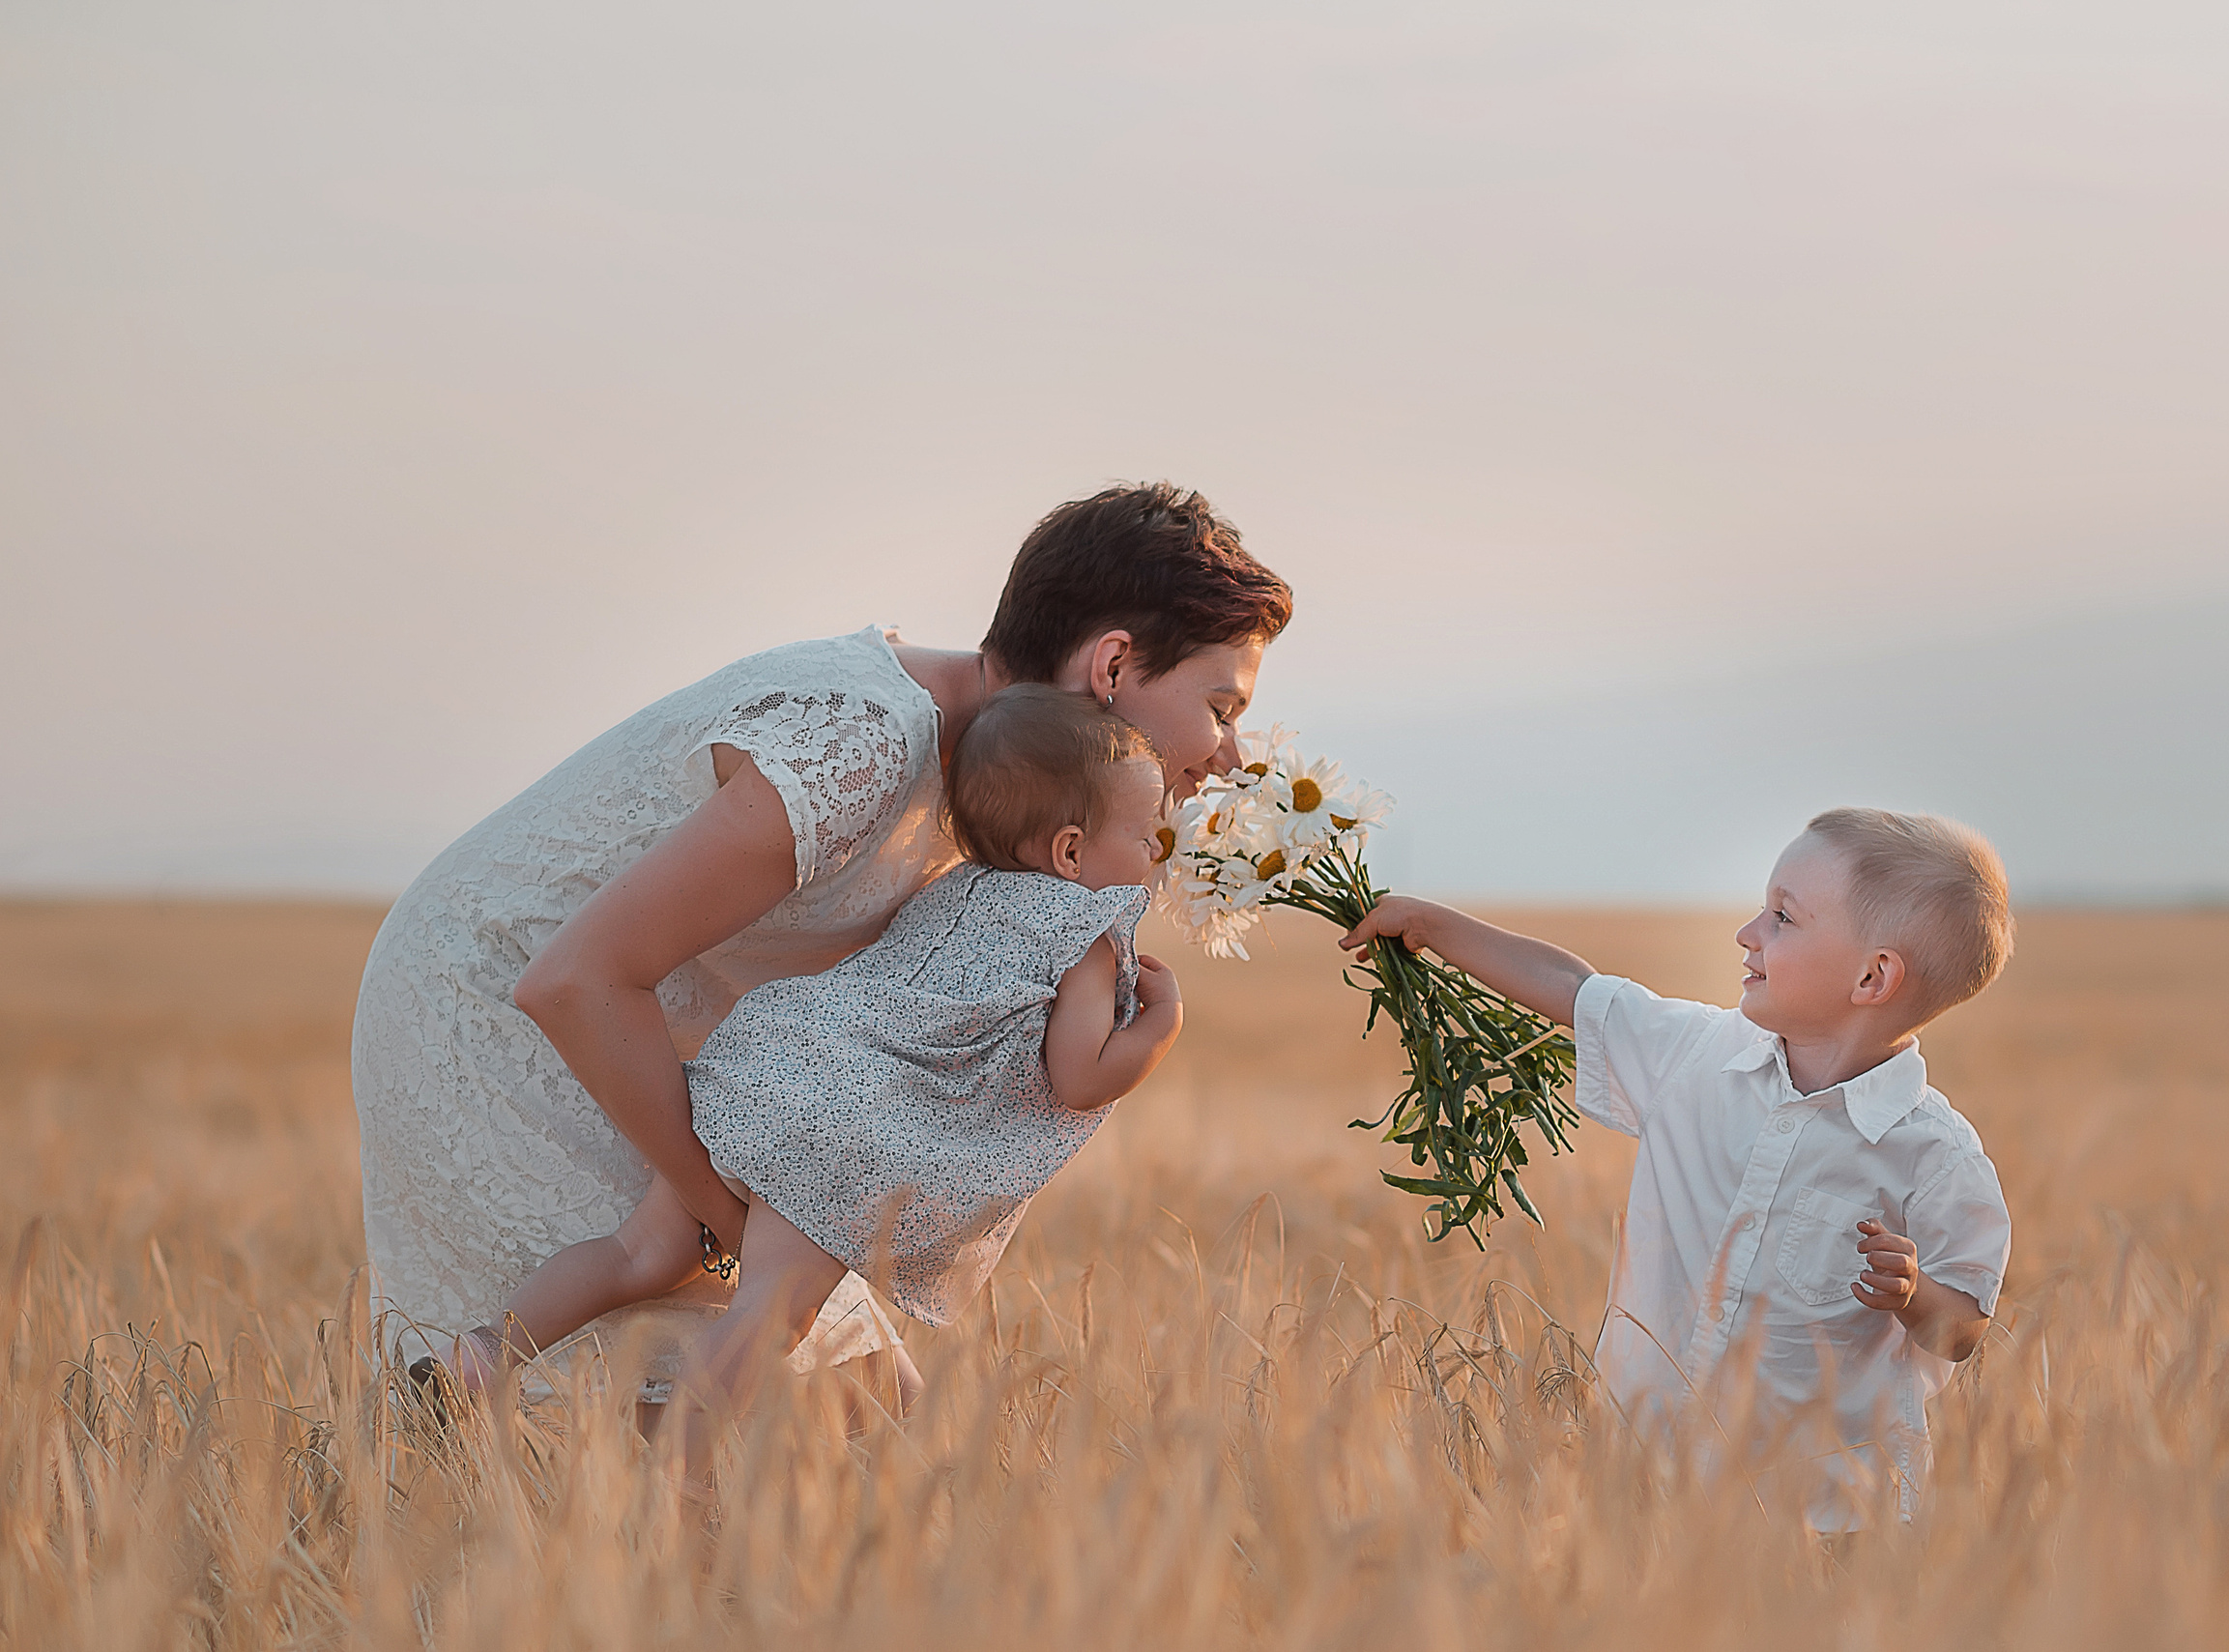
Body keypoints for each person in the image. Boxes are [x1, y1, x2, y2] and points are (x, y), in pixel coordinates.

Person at [352, 483, 1288, 1401]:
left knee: (854, 1434)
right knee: (725, 1427)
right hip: (504, 1019)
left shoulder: (1014, 802)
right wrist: (731, 1216)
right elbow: (575, 978)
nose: (1228, 755)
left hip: (684, 1072)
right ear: (1113, 667)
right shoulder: (860, 745)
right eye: (1221, 706)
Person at [429, 688, 1183, 1441]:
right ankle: (669, 1491)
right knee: (769, 1317)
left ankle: (481, 1353)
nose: (1154, 853)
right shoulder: (1085, 929)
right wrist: (1157, 1027)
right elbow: (1079, 1076)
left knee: (641, 1252)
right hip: (848, 1130)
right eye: (1146, 836)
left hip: (774, 1058)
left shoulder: (954, 888)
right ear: (1072, 850)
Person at [1337, 808, 2014, 1529]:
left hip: (1822, 1513)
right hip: (1640, 1481)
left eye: (1783, 917)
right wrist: (1432, 925)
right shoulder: (1693, 1055)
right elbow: (1574, 988)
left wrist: (1913, 1292)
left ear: (1873, 976)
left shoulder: (1935, 1153)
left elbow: (1964, 1328)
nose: (1748, 932)